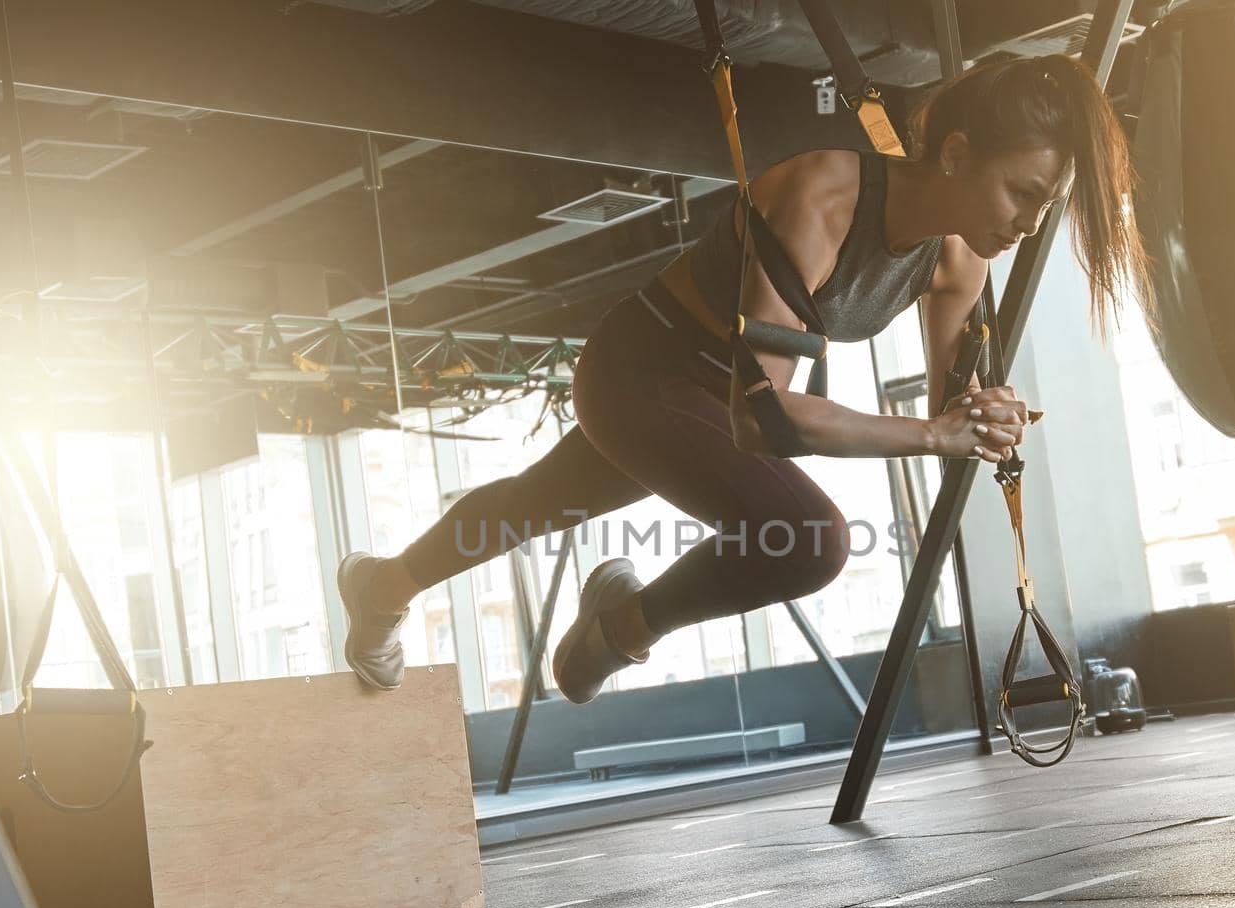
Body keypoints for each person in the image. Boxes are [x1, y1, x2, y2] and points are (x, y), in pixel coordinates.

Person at [335, 53, 1147, 703]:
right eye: (1024, 193)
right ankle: (619, 625)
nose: (1029, 222)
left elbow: (945, 419)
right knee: (812, 538)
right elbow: (765, 420)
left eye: (1047, 206)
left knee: (530, 504)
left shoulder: (959, 264)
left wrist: (981, 416)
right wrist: (939, 431)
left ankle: (381, 585)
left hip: (708, 402)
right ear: (959, 153)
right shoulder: (821, 198)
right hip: (642, 370)